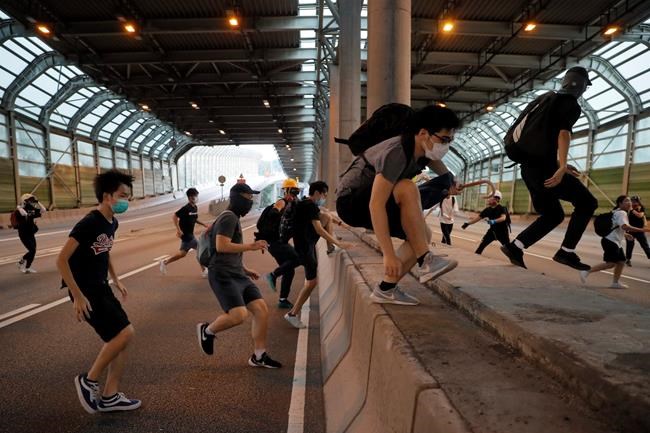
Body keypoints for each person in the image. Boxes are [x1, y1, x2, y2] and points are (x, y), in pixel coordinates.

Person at [336, 105, 460, 306]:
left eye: (450, 141)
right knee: (406, 187)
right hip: (351, 202)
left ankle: (386, 290)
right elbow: (376, 204)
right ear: (423, 133)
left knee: (422, 235)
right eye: (444, 140)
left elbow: (436, 162)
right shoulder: (397, 152)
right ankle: (425, 260)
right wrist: (388, 254)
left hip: (367, 199)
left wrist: (450, 179)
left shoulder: (422, 149)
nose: (446, 146)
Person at [56, 169, 141, 413]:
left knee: (122, 339)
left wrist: (115, 278)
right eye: (122, 195)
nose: (126, 200)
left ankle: (110, 395)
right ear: (107, 196)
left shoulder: (112, 222)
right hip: (86, 290)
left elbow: (105, 250)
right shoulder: (89, 222)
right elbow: (61, 260)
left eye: (128, 196)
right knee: (124, 334)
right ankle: (88, 380)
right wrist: (77, 296)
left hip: (101, 286)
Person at [500, 66, 598, 271]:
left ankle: (515, 247)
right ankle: (566, 252)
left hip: (528, 169)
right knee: (588, 203)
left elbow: (543, 138)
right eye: (585, 87)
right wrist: (561, 167)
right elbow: (563, 134)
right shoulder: (570, 104)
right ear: (581, 86)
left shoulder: (547, 99)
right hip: (544, 170)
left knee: (553, 215)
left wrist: (559, 164)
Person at [196, 183, 282, 368]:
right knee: (238, 315)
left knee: (261, 310)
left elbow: (230, 251)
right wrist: (252, 246)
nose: (250, 201)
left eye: (252, 198)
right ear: (237, 198)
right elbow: (221, 246)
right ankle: (207, 331)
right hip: (222, 275)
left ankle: (259, 356)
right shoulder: (228, 218)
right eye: (248, 197)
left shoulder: (232, 217)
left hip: (237, 274)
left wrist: (245, 269)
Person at [284, 181, 353, 328]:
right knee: (311, 283)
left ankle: (330, 248)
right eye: (324, 195)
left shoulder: (307, 204)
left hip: (306, 245)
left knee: (326, 216)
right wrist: (338, 243)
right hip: (304, 248)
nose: (324, 197)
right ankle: (292, 314)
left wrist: (342, 225)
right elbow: (319, 230)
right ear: (317, 193)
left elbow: (326, 216)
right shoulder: (309, 206)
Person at [580, 195, 650, 288]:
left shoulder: (616, 212)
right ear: (620, 203)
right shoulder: (622, 213)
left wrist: (625, 234)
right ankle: (586, 271)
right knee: (611, 263)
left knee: (621, 261)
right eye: (626, 201)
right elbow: (625, 226)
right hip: (611, 241)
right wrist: (643, 230)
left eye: (629, 201)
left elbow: (615, 226)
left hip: (614, 241)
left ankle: (615, 283)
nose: (629, 203)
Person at [259, 179, 301, 309]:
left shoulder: (292, 204)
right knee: (298, 258)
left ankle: (283, 300)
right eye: (291, 192)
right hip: (274, 242)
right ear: (285, 191)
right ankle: (273, 275)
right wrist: (277, 212)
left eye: (295, 193)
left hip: (278, 242)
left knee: (289, 270)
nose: (293, 195)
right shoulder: (281, 202)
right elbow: (274, 211)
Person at [159, 187, 208, 277]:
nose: (195, 199)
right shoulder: (185, 208)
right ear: (189, 198)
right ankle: (204, 270)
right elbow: (174, 216)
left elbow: (195, 219)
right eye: (193, 197)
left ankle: (165, 262)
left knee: (182, 254)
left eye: (196, 196)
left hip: (189, 234)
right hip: (186, 235)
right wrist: (178, 229)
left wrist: (204, 224)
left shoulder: (195, 208)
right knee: (200, 249)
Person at [462, 190, 510, 254]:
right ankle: (475, 258)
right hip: (492, 232)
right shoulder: (487, 210)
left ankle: (517, 261)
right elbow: (477, 218)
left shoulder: (502, 208)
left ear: (496, 199)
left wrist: (493, 221)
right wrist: (467, 223)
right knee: (481, 247)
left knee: (509, 250)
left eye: (490, 198)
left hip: (503, 233)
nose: (488, 199)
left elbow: (503, 218)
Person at [16, 193, 47, 274]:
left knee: (34, 251)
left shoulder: (32, 208)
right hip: (23, 233)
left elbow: (43, 210)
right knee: (32, 250)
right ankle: (20, 262)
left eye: (31, 200)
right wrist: (20, 207)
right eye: (29, 200)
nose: (31, 201)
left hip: (30, 232)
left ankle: (27, 267)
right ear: (24, 201)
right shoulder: (19, 210)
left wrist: (37, 202)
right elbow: (24, 214)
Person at [625, 195, 649, 266]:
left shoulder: (641, 208)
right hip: (630, 230)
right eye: (632, 201)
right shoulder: (627, 209)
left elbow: (640, 215)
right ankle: (628, 259)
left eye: (636, 201)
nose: (634, 203)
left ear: (639, 202)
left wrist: (632, 210)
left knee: (645, 245)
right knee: (630, 245)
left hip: (639, 230)